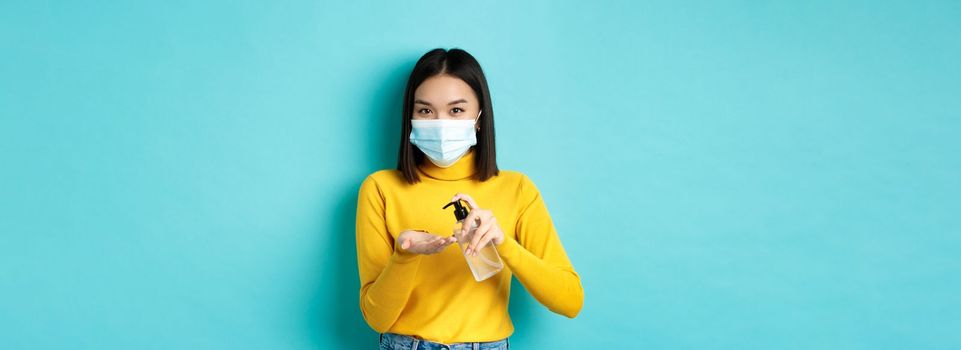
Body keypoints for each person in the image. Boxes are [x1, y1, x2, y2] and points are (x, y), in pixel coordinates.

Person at [355, 48, 583, 350]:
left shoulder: (517, 189)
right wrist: (405, 256)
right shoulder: (380, 188)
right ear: (410, 117)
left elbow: (570, 301)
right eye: (425, 111)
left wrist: (504, 244)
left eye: (456, 110)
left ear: (478, 118)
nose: (440, 123)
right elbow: (376, 318)